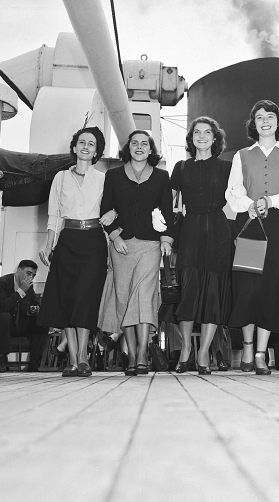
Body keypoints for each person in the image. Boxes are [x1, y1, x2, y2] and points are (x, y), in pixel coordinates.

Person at [226, 99, 279, 375]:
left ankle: (261, 353)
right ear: (253, 123)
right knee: (248, 288)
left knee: (271, 290)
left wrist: (271, 201)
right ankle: (247, 347)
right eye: (259, 116)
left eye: (270, 116)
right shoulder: (242, 155)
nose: (265, 120)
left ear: (278, 122)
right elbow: (233, 190)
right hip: (249, 226)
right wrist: (247, 203)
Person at [37, 126, 112, 378]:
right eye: (82, 142)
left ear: (96, 151)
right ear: (74, 147)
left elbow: (110, 214)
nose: (86, 147)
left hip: (93, 242)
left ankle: (83, 358)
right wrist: (49, 244)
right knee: (68, 299)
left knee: (85, 299)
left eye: (91, 144)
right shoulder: (60, 178)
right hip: (67, 240)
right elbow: (54, 214)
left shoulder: (103, 179)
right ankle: (71, 361)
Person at [98, 130, 174, 376]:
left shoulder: (162, 176)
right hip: (121, 245)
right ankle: (131, 355)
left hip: (150, 245)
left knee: (143, 296)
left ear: (151, 149)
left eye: (144, 143)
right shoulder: (113, 176)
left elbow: (167, 211)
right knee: (124, 297)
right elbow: (105, 209)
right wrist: (114, 236)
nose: (139, 147)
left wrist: (166, 239)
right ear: (128, 148)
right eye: (134, 143)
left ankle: (142, 353)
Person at [171, 116, 232, 375]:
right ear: (191, 137)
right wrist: (168, 236)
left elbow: (239, 199)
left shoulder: (227, 168)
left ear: (215, 138)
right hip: (190, 231)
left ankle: (204, 352)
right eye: (197, 132)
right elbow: (172, 207)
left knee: (213, 296)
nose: (203, 136)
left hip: (219, 231)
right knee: (188, 293)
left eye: (208, 132)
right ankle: (186, 349)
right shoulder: (181, 167)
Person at [0, 260, 48, 373]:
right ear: (19, 270)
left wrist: (35, 308)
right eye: (28, 273)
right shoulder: (3, 282)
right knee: (4, 317)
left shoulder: (29, 287)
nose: (31, 277)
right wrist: (21, 290)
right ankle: (1, 360)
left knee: (42, 321)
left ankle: (34, 362)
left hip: (21, 324)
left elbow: (33, 304)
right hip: (6, 325)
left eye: (33, 275)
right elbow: (3, 306)